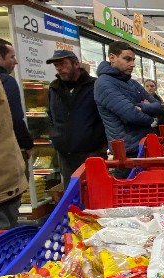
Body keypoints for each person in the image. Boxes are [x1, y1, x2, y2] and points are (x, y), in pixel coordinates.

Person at [94, 41, 163, 178]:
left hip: (144, 147)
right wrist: (152, 119)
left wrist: (141, 106)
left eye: (133, 60)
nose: (132, 64)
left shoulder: (131, 83)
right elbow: (131, 114)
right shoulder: (104, 84)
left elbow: (158, 106)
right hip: (127, 153)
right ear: (112, 58)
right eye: (127, 59)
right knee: (128, 193)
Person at [46, 50, 107, 189]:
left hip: (92, 152)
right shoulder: (54, 87)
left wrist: (100, 142)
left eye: (63, 64)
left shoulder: (94, 85)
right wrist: (56, 136)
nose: (59, 68)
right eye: (56, 65)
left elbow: (104, 115)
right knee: (72, 192)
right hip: (65, 153)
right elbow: (51, 114)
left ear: (76, 64)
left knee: (95, 192)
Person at [0, 38, 33, 173]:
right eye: (11, 57)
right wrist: (26, 144)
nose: (16, 61)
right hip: (8, 154)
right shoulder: (6, 81)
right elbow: (15, 118)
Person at [0, 78, 28, 229]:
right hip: (6, 177)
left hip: (3, 182)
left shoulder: (8, 82)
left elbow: (16, 118)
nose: (15, 61)